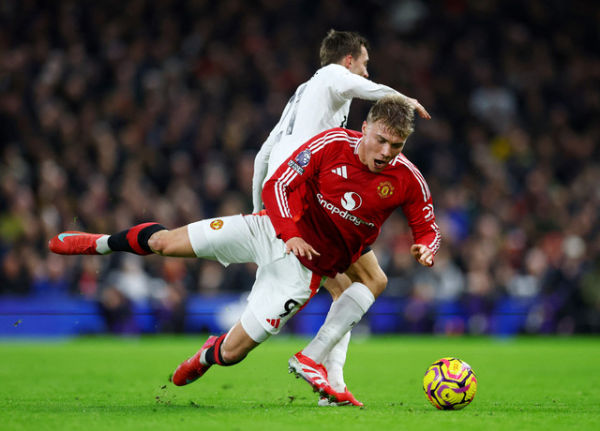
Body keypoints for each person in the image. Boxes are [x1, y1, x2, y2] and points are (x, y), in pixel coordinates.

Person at [49, 95, 440, 406]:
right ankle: (98, 244)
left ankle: (204, 356)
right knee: (163, 242)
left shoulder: (407, 179)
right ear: (365, 127)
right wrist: (288, 233)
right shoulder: (332, 144)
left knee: (233, 354)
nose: (388, 151)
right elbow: (278, 187)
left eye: (397, 145)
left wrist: (425, 247)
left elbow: (427, 227)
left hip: (300, 273)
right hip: (268, 229)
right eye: (382, 140)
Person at [252, 29, 431, 405]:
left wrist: (261, 210)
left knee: (350, 288)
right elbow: (367, 89)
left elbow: (264, 155)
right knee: (370, 280)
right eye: (364, 65)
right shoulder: (331, 77)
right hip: (302, 195)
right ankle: (316, 365)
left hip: (288, 191)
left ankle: (331, 382)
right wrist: (403, 98)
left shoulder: (305, 97)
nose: (366, 74)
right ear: (349, 60)